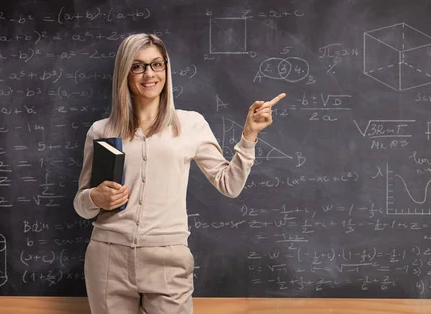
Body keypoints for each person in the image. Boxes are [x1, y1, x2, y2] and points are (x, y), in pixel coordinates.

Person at [72, 33, 285, 314]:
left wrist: (248, 136)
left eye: (156, 64)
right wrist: (95, 198)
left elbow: (228, 184)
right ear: (125, 72)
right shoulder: (102, 130)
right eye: (138, 66)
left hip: (167, 259)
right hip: (108, 257)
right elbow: (81, 205)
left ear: (166, 69)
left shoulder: (191, 124)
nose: (149, 74)